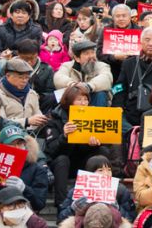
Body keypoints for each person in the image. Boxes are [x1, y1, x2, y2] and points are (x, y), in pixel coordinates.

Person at [43, 84, 110, 214]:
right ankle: (62, 206)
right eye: (79, 100)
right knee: (62, 160)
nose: (83, 103)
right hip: (63, 165)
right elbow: (51, 151)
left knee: (102, 153)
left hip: (83, 163)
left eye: (85, 100)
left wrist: (95, 145)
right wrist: (64, 136)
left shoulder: (93, 116)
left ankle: (99, 200)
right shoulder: (54, 118)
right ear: (69, 101)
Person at [0, 125, 48, 214]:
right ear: (1, 146)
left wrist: (25, 189)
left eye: (20, 143)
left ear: (25, 145)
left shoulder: (37, 169)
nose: (17, 148)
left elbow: (39, 204)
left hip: (24, 217)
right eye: (11, 144)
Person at [57, 155, 136, 223]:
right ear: (90, 173)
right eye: (100, 170)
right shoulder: (77, 190)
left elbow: (131, 218)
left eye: (109, 170)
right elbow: (61, 219)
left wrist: (117, 208)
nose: (106, 174)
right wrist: (73, 208)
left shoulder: (121, 191)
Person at [0, 58, 45, 130]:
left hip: (31, 134)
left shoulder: (32, 93)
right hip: (6, 136)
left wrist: (42, 120)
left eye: (27, 77)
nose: (24, 81)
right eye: (20, 77)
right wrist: (26, 121)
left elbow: (37, 114)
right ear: (8, 76)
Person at [54, 40, 113, 107]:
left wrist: (88, 86)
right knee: (56, 95)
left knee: (101, 94)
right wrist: (74, 85)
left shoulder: (102, 66)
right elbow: (58, 77)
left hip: (93, 98)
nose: (91, 56)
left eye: (92, 52)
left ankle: (97, 117)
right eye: (86, 54)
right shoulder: (67, 66)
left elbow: (106, 77)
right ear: (77, 58)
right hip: (74, 99)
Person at [0, 0, 42, 64]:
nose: (20, 16)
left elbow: (37, 51)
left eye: (24, 13)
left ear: (29, 16)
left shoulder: (36, 29)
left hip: (27, 61)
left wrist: (13, 54)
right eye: (17, 12)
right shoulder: (2, 29)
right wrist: (0, 56)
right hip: (6, 61)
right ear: (11, 15)